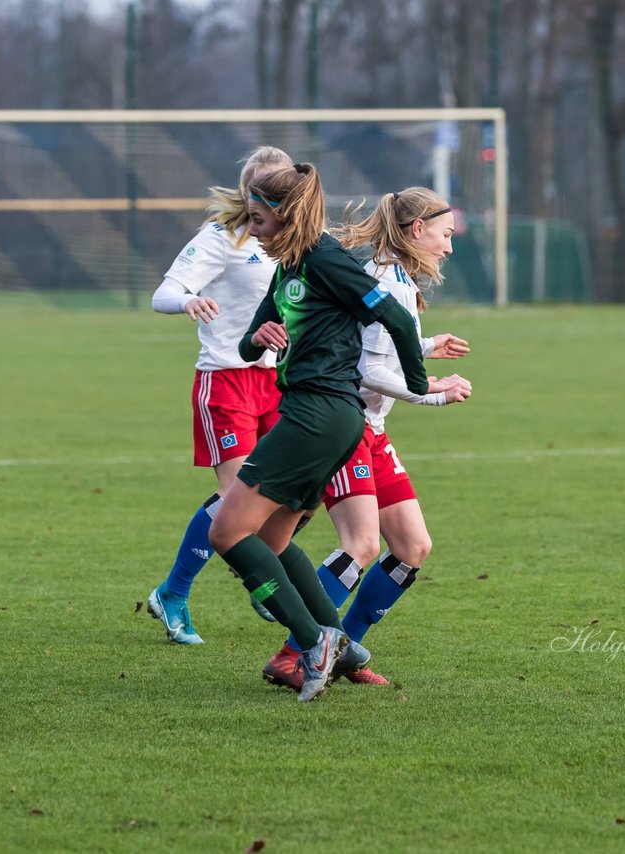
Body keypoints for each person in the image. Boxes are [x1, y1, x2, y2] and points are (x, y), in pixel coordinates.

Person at [206, 163, 433, 702]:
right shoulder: (288, 266)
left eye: (259, 219)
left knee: (226, 532)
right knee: (273, 539)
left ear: (283, 216)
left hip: (319, 415)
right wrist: (257, 338)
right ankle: (343, 647)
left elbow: (396, 322)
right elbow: (248, 346)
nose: (252, 230)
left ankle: (314, 642)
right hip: (314, 415)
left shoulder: (326, 258)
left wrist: (421, 385)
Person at [259, 187, 472, 690]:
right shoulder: (384, 279)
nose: (448, 247)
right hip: (345, 426)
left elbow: (371, 346)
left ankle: (341, 653)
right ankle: (298, 651)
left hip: (372, 431)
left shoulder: (391, 274)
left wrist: (423, 346)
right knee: (360, 545)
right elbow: (366, 368)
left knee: (412, 547)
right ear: (416, 230)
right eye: (445, 235)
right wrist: (432, 394)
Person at [145, 146, 293, 644]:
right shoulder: (222, 237)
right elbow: (163, 293)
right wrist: (189, 298)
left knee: (297, 490)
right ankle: (174, 593)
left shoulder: (295, 241)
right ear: (250, 192)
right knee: (236, 499)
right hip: (226, 380)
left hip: (280, 382)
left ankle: (260, 568)